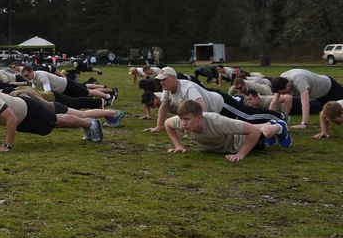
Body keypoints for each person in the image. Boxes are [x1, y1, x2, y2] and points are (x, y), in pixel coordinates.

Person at [0, 82, 104, 152]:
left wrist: (6, 146)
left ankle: (90, 124)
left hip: (28, 110)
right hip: (22, 119)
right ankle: (87, 124)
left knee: (58, 121)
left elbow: (11, 118)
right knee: (56, 124)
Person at [145, 67, 287, 133]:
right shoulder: (167, 90)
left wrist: (203, 128)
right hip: (214, 109)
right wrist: (158, 126)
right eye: (159, 80)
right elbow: (164, 107)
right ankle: (273, 122)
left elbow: (202, 107)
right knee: (241, 125)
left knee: (248, 116)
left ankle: (280, 117)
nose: (161, 82)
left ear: (174, 78)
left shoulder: (188, 88)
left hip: (221, 104)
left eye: (164, 79)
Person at [164, 99, 290, 162]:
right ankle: (269, 124)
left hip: (239, 143)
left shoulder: (217, 121)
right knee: (255, 128)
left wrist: (240, 154)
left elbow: (254, 132)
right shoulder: (181, 122)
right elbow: (167, 124)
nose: (183, 123)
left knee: (262, 133)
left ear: (198, 118)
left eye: (186, 119)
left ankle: (278, 126)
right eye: (181, 119)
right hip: (224, 142)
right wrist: (179, 146)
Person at [270, 69, 343, 128]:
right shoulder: (281, 80)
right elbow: (274, 101)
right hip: (319, 96)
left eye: (283, 92)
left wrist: (304, 124)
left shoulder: (299, 80)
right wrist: (268, 119)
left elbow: (305, 104)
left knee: (339, 109)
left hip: (331, 89)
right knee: (325, 113)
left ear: (288, 86)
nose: (283, 94)